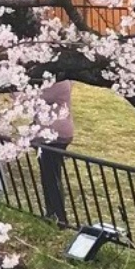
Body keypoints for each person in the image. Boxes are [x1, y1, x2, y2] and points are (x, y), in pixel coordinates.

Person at [39, 81, 76, 225]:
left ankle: (60, 216)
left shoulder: (58, 84)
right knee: (49, 174)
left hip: (55, 135)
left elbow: (36, 97)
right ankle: (51, 212)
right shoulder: (63, 81)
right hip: (52, 132)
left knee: (51, 176)